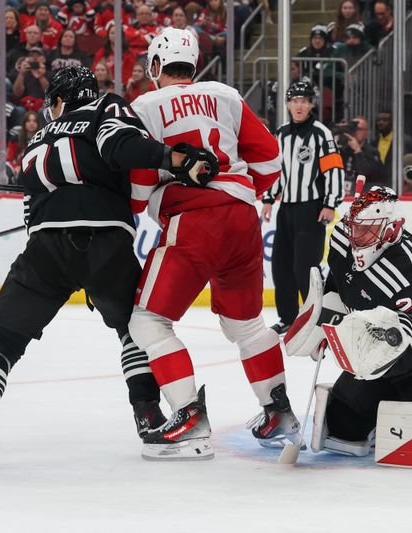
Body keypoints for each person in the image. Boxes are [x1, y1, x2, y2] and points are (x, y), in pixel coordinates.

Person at [0, 65, 218, 472]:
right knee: (134, 330)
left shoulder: (38, 138)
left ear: (58, 101)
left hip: (46, 247)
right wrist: (175, 158)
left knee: (1, 339)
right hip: (106, 243)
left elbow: (30, 211)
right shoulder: (106, 107)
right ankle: (149, 416)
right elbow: (124, 147)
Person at [126, 28, 298, 461]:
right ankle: (278, 413)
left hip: (194, 220)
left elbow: (140, 185)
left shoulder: (145, 105)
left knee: (147, 322)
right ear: (195, 65)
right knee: (247, 325)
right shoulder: (224, 95)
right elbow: (271, 160)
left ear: (155, 67)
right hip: (242, 218)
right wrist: (237, 191)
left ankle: (187, 418)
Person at [286, 186, 412, 456]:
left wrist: (363, 356)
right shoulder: (343, 239)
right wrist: (327, 323)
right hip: (384, 341)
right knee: (342, 426)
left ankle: (406, 405)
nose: (355, 237)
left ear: (390, 230)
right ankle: (385, 412)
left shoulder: (408, 268)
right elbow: (339, 280)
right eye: (354, 227)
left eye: (365, 231)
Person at [261, 80, 344, 334]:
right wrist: (267, 198)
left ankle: (314, 318)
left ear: (311, 105)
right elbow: (275, 170)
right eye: (295, 101)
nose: (299, 105)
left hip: (312, 209)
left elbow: (334, 170)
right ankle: (288, 318)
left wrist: (331, 203)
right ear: (287, 104)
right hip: (286, 208)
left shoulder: (321, 133)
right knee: (281, 266)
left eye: (304, 101)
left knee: (304, 268)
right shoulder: (281, 133)